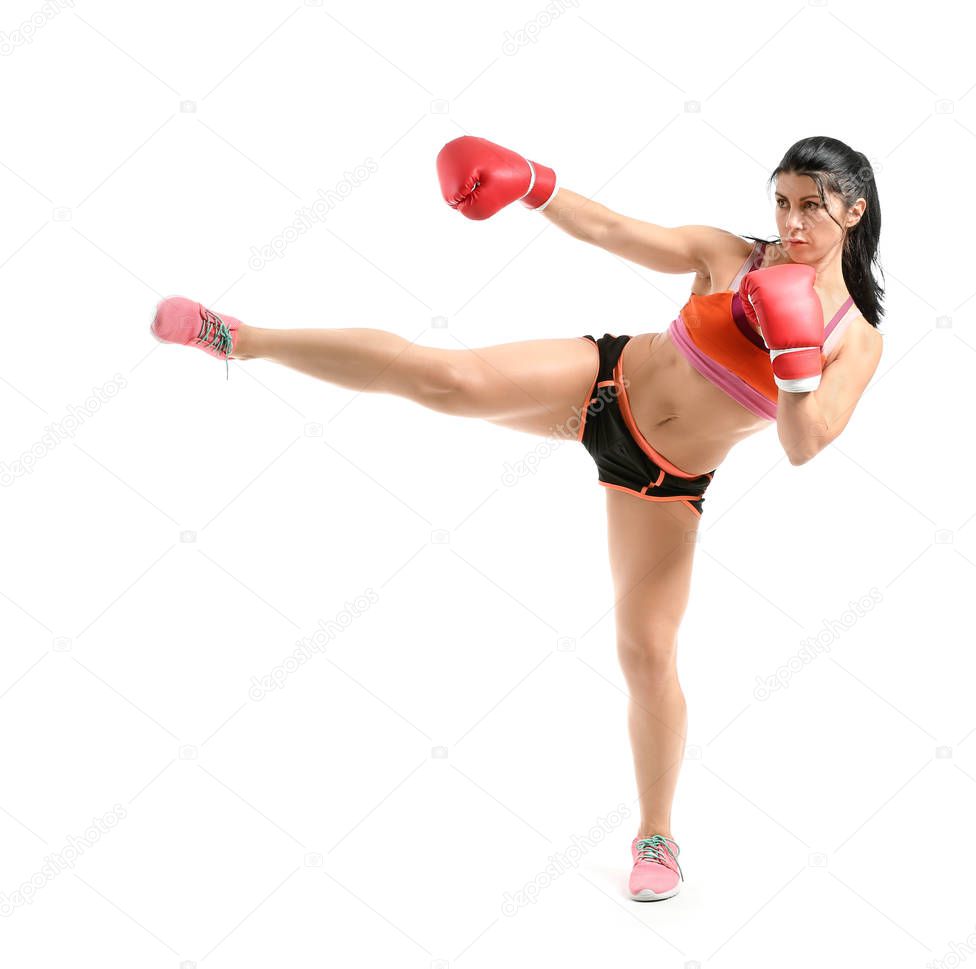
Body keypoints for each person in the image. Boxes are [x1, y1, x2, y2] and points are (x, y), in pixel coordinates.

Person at [150, 133, 884, 902]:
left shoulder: (853, 340)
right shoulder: (735, 255)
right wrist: (530, 181)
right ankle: (238, 336)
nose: (792, 223)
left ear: (854, 212)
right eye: (782, 201)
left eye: (812, 206)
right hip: (602, 383)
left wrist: (795, 359)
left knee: (647, 653)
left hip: (665, 480)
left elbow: (803, 445)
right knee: (446, 377)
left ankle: (656, 834)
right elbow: (614, 230)